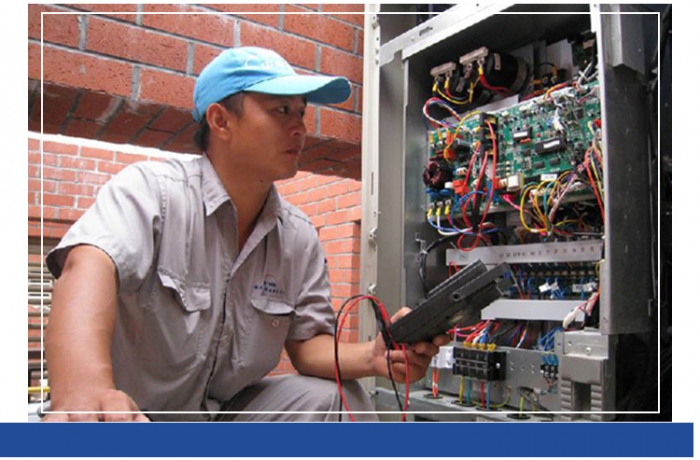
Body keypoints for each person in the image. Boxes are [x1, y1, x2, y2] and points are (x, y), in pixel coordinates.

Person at [43, 46, 448, 422]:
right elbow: (87, 266)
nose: (299, 127)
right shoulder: (153, 192)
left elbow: (307, 347)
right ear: (221, 120)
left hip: (221, 416)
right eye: (282, 110)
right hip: (131, 418)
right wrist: (85, 392)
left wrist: (374, 357)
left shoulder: (298, 237)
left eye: (302, 112)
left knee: (341, 399)